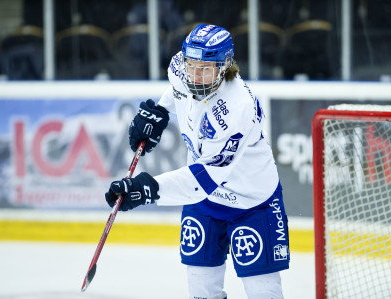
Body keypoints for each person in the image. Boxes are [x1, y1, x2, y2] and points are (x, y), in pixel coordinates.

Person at [105, 24, 290, 299]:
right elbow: (178, 89)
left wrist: (147, 190)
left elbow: (203, 180)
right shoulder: (182, 68)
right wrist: (159, 111)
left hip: (253, 203)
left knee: (264, 293)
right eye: (192, 66)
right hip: (205, 206)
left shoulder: (237, 109)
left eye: (205, 69)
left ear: (225, 65)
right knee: (202, 292)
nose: (195, 76)